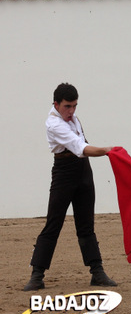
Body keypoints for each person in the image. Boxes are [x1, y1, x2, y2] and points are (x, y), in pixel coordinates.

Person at [23, 83, 117, 291]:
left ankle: (97, 272)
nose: (72, 111)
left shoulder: (72, 118)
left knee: (86, 224)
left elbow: (82, 146)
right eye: (67, 106)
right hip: (64, 172)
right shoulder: (53, 124)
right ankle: (37, 275)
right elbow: (79, 147)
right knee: (53, 223)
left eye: (74, 106)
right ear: (56, 104)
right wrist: (107, 150)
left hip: (84, 171)